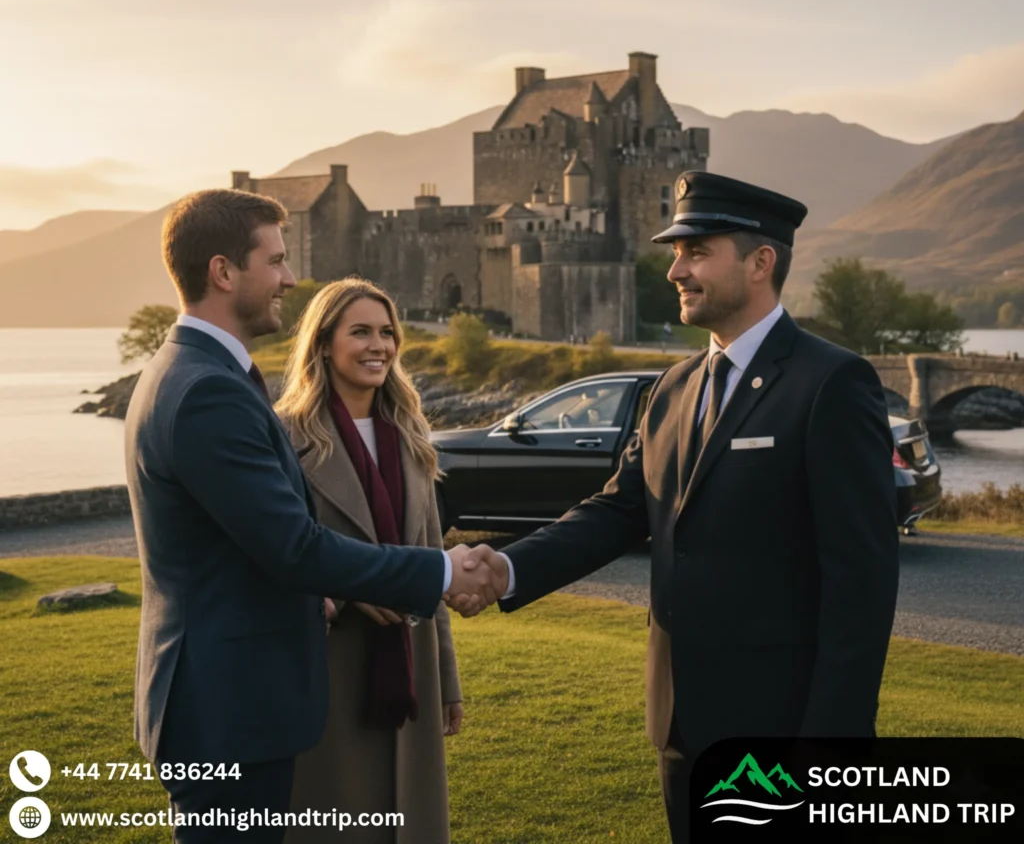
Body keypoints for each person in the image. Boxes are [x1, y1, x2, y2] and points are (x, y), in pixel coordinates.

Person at [450, 171, 900, 842]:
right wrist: (506, 570)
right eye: (675, 252)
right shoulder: (675, 386)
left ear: (759, 262)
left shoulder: (830, 383)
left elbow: (861, 582)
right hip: (680, 722)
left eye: (696, 252)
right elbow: (618, 510)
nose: (675, 271)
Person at [125, 189, 497, 843]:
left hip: (234, 702)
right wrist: (440, 572)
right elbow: (295, 546)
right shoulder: (208, 388)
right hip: (230, 710)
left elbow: (251, 546)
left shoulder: (195, 374)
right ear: (223, 272)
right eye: (276, 260)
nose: (290, 278)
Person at [275, 278, 461, 843]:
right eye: (360, 332)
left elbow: (430, 559)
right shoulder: (284, 438)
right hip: (329, 668)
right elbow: (272, 558)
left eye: (387, 332)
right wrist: (342, 591)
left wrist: (447, 680)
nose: (378, 345)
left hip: (411, 665)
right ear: (324, 343)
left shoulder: (413, 437)